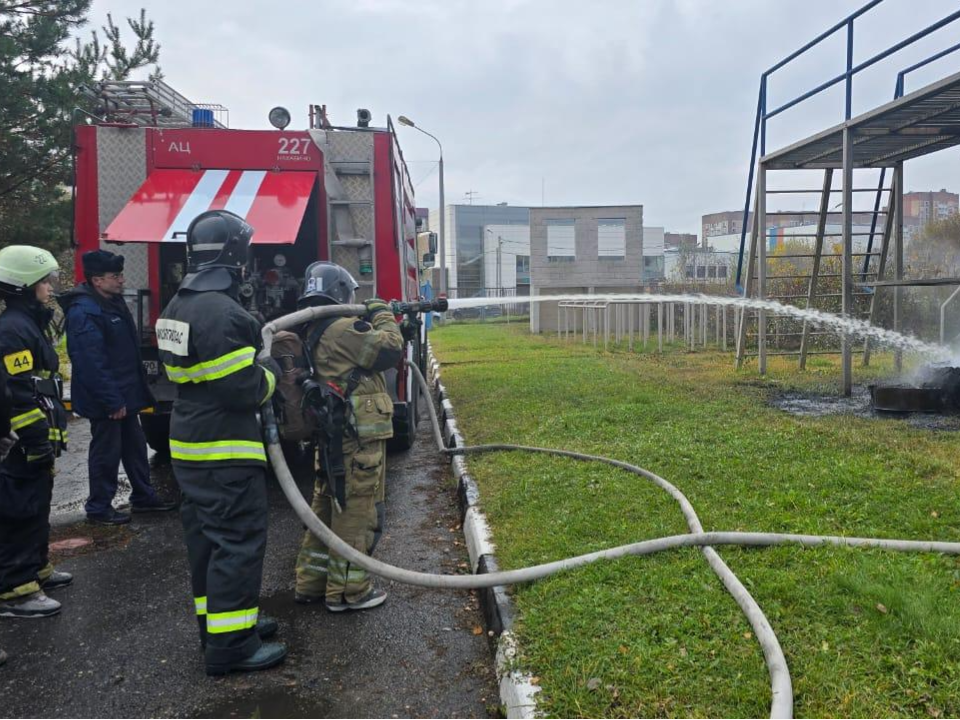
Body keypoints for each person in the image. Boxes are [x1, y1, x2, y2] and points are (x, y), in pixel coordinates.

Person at [157, 210, 285, 676]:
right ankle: (232, 647)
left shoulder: (177, 306)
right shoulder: (224, 314)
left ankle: (221, 627)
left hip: (191, 444)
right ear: (236, 255)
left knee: (208, 543)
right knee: (237, 543)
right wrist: (272, 370)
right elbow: (243, 390)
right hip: (224, 448)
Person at [293, 261, 403, 612]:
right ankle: (348, 592)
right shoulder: (342, 329)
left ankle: (311, 583)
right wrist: (382, 313)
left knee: (327, 507)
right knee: (357, 511)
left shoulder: (314, 327)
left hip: (334, 434)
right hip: (355, 437)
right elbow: (390, 349)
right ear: (340, 293)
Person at [60, 250, 177, 525]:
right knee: (106, 453)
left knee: (135, 448)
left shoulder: (111, 302)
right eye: (116, 276)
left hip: (124, 395)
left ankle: (144, 497)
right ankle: (99, 508)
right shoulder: (84, 311)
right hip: (107, 401)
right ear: (97, 280)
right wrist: (112, 401)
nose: (122, 280)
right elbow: (91, 363)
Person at [0, 245, 71, 619]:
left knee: (38, 503)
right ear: (24, 286)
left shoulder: (28, 322)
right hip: (23, 441)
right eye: (45, 281)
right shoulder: (13, 329)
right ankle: (15, 590)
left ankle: (37, 568)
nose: (50, 287)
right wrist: (35, 439)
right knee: (20, 510)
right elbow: (17, 393)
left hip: (38, 435)